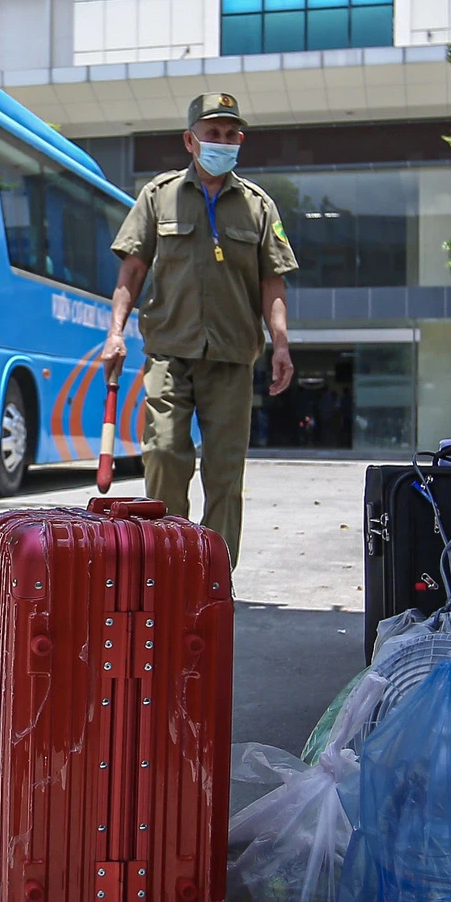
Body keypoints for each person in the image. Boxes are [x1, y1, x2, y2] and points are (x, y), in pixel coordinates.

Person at [103, 92, 297, 568]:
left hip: (232, 355)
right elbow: (132, 270)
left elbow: (272, 281)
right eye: (213, 133)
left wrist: (282, 344)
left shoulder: (258, 206)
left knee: (224, 473)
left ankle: (212, 578)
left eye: (231, 135)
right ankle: (166, 567)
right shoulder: (158, 196)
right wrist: (115, 333)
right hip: (170, 350)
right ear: (191, 141)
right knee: (166, 451)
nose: (223, 142)